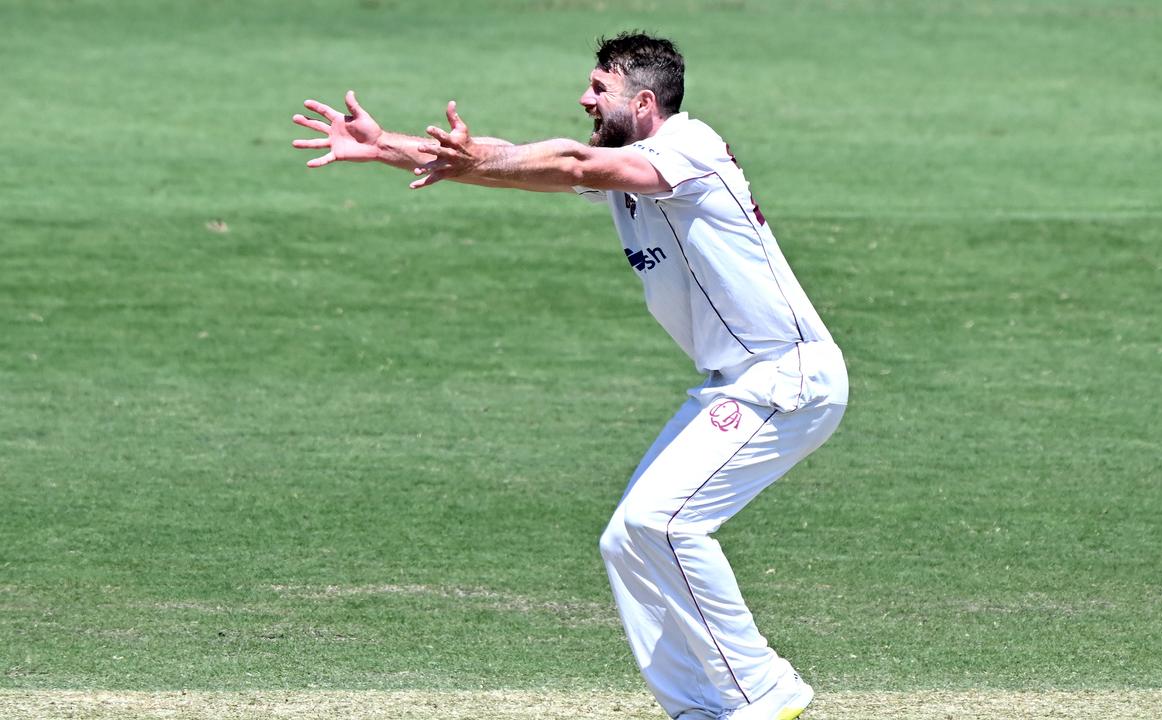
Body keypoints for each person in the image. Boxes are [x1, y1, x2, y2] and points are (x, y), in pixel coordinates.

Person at [291, 31, 847, 720]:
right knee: (627, 538)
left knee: (662, 524)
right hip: (733, 381)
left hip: (785, 378)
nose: (584, 98)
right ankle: (699, 708)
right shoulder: (625, 160)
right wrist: (388, 147)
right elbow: (505, 157)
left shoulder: (689, 148)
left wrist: (480, 163)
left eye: (598, 87)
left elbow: (573, 161)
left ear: (643, 102)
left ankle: (763, 694)